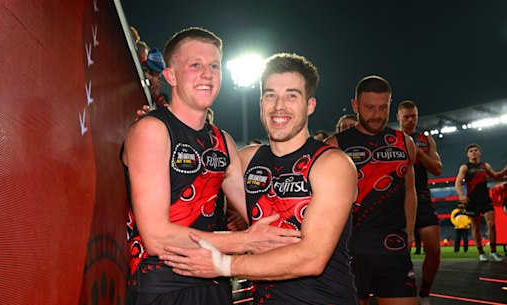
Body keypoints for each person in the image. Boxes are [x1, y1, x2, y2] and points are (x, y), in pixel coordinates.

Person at [161, 53, 359, 304]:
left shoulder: (332, 164)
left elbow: (312, 258)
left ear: (310, 105)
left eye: (291, 95)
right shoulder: (246, 159)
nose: (279, 106)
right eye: (270, 95)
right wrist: (156, 125)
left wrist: (223, 264)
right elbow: (181, 170)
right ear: (261, 102)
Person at [121, 27, 300, 305]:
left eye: (214, 66)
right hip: (162, 285)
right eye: (195, 65)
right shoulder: (152, 130)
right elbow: (156, 237)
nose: (207, 73)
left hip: (213, 280)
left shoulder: (223, 141)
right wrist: (243, 242)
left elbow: (260, 213)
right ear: (170, 76)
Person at [325, 76, 418, 305]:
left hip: (393, 248)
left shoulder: (404, 142)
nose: (376, 115)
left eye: (383, 107)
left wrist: (410, 231)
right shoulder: (333, 146)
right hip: (348, 253)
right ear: (356, 106)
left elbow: (409, 190)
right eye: (369, 108)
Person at [396, 100, 442, 304]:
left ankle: (424, 292)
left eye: (414, 115)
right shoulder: (391, 139)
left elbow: (438, 169)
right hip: (398, 201)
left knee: (433, 250)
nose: (411, 120)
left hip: (422, 198)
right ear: (398, 117)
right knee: (402, 250)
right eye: (406, 116)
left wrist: (419, 151)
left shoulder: (426, 139)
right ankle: (401, 292)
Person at [454, 143, 507, 262]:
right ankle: (481, 252)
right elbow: (458, 182)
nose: (473, 152)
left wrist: (504, 170)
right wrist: (461, 195)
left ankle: (493, 251)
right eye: (471, 151)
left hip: (485, 199)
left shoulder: (485, 166)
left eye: (475, 150)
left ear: (479, 152)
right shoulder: (465, 167)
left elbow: (497, 177)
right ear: (468, 154)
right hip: (472, 201)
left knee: (492, 225)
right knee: (475, 227)